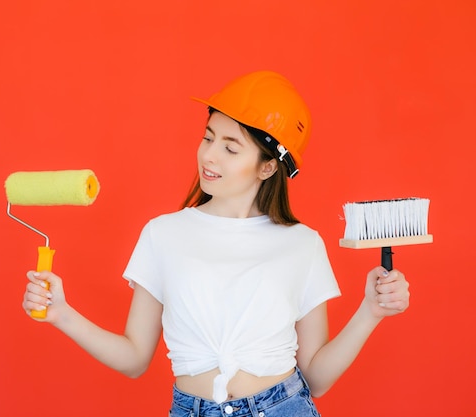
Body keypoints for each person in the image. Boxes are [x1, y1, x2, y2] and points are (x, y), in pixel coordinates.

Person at [22, 70, 410, 417]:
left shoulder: (302, 245)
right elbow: (134, 358)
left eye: (230, 147)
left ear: (267, 166)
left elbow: (317, 379)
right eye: (208, 137)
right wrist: (62, 313)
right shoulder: (163, 234)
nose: (209, 155)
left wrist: (370, 311)